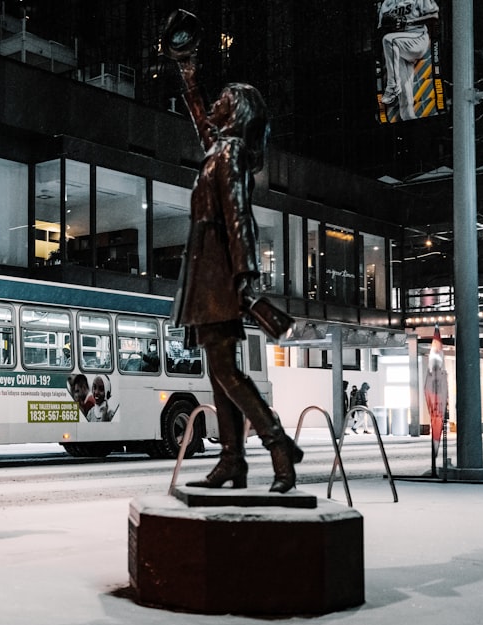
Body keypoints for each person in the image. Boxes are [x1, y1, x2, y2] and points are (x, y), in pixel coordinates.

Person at [163, 11, 302, 493]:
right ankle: (232, 460)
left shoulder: (232, 154)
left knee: (224, 368)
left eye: (224, 99)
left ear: (238, 111)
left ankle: (278, 443)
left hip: (220, 268)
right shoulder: (219, 149)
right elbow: (199, 117)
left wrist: (245, 276)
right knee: (217, 369)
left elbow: (240, 214)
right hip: (207, 268)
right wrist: (188, 74)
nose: (216, 104)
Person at [377, 0, 439, 121]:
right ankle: (409, 118)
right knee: (405, 88)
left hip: (417, 38)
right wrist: (389, 25)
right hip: (399, 45)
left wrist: (408, 22)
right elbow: (380, 29)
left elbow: (434, 16)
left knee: (388, 40)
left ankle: (392, 86)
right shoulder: (387, 3)